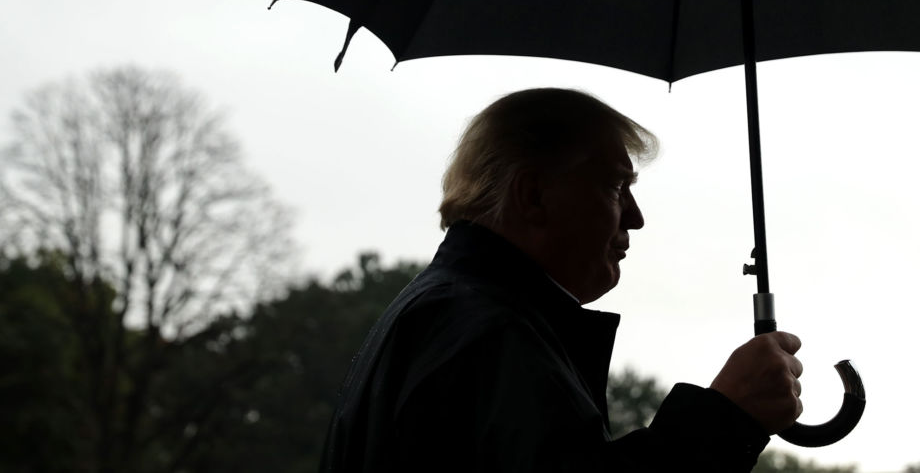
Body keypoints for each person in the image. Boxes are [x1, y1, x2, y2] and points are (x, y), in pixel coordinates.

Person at [320, 88, 805, 472]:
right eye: (616, 186)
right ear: (533, 195)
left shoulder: (449, 316)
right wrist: (724, 417)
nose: (635, 218)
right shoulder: (487, 333)